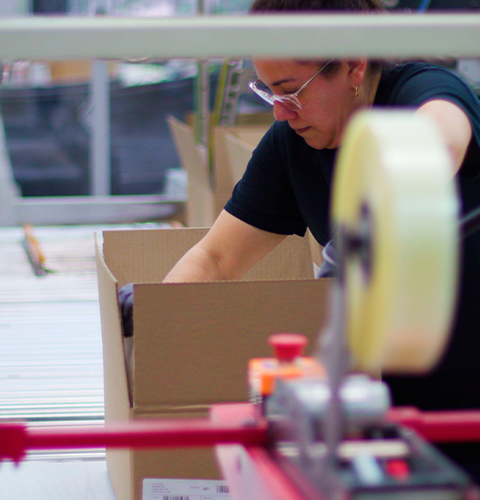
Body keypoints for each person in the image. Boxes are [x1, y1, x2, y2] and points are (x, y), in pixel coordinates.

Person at [120, 0, 480, 478]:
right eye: (268, 92)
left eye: (291, 91)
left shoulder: (422, 92)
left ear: (353, 65)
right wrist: (157, 320)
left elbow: (442, 140)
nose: (281, 112)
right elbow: (215, 258)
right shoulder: (293, 146)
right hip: (393, 420)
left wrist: (369, 220)